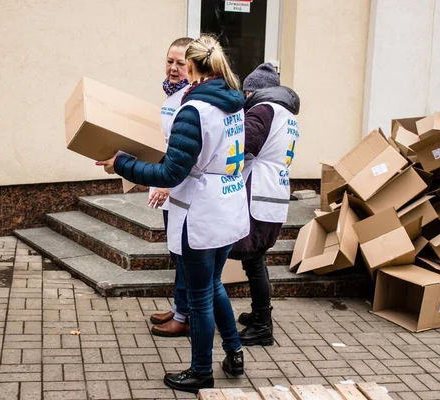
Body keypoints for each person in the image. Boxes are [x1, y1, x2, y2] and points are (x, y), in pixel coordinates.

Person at [99, 35, 249, 394]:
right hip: (228, 205)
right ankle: (235, 351)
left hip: (200, 212)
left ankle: (201, 371)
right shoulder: (234, 103)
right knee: (213, 286)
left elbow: (170, 173)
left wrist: (121, 163)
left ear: (194, 69)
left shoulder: (194, 109)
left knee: (200, 297)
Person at [228, 62, 300, 346]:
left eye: (245, 91)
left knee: (252, 259)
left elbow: (240, 145)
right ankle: (261, 314)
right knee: (254, 258)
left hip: (256, 193)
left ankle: (262, 324)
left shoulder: (263, 110)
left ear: (252, 90)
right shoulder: (286, 114)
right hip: (272, 193)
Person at [147, 37, 193, 338]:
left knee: (184, 253)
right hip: (166, 183)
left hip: (178, 185)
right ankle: (179, 307)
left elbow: (185, 149)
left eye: (180, 63)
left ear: (193, 66)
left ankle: (184, 315)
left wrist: (167, 183)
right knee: (175, 251)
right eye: (169, 61)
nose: (173, 69)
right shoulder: (170, 95)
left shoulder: (189, 97)